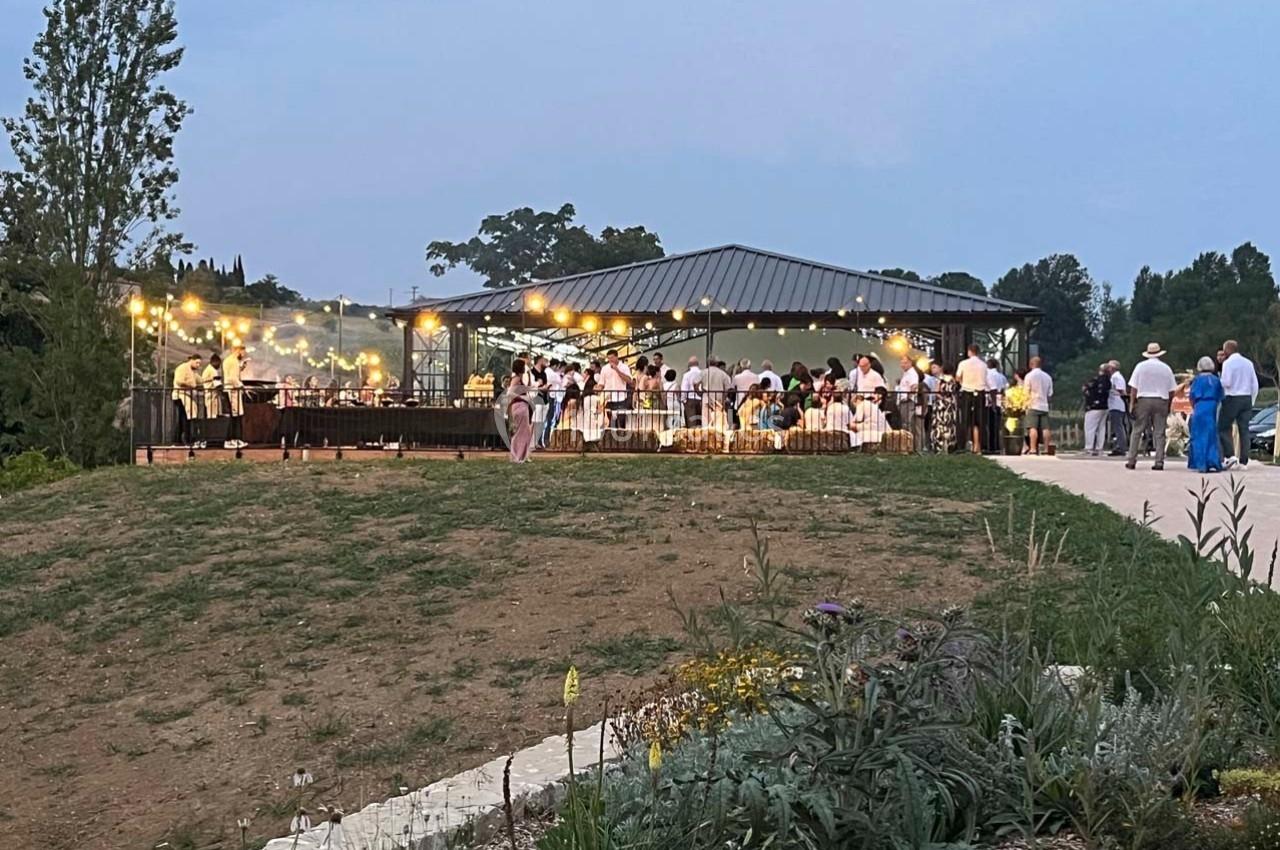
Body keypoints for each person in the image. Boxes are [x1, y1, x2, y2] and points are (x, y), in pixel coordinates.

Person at [1125, 343, 1178, 471]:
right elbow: (1172, 390)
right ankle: (1159, 461)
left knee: (1137, 430)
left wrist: (1132, 403)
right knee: (1159, 432)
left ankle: (1132, 459)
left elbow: (1134, 388)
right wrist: (1169, 403)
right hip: (1161, 399)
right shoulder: (1166, 368)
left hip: (1144, 399)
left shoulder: (1140, 367)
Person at [1218, 339, 1260, 469]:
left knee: (1223, 427)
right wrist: (1252, 400)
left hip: (1232, 397)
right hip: (1246, 398)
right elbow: (1255, 384)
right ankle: (1244, 461)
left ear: (1227, 350)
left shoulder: (1228, 363)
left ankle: (1230, 456)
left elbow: (1227, 382)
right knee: (1244, 430)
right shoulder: (1248, 363)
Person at [1187, 357, 1225, 473]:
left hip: (1200, 406)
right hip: (1212, 406)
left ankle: (1200, 463)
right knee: (1211, 434)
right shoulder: (1216, 380)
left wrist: (1195, 407)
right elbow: (1221, 395)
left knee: (1198, 435)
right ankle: (1213, 461)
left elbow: (1192, 396)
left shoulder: (1197, 380)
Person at [955, 345, 989, 454]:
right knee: (979, 421)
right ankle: (977, 445)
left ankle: (963, 445)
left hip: (967, 391)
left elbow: (957, 377)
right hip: (980, 392)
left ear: (969, 352)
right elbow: (986, 379)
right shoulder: (983, 365)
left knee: (965, 420)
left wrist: (962, 383)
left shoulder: (963, 363)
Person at [1023, 356, 1054, 454]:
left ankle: (1033, 448)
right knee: (1046, 428)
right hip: (1044, 406)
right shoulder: (1047, 377)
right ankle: (1046, 448)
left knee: (1033, 427)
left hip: (1033, 404)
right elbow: (1050, 393)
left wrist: (1025, 404)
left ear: (1031, 364)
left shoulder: (1029, 376)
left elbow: (1026, 392)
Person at [506, 358, 534, 463]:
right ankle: (516, 456)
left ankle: (522, 455)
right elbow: (510, 393)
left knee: (525, 431)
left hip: (522, 406)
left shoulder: (519, 379)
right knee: (520, 432)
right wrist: (523, 398)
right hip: (519, 406)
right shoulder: (516, 379)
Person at [172, 353, 202, 445]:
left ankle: (183, 439)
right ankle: (183, 439)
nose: (198, 365)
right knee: (184, 419)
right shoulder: (183, 368)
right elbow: (179, 381)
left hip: (187, 397)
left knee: (185, 419)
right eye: (197, 363)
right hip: (180, 396)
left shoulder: (192, 371)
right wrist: (191, 385)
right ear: (192, 360)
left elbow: (200, 380)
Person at [1082, 363, 1111, 456]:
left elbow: (1086, 388)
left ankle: (1089, 447)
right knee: (1101, 428)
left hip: (1094, 407)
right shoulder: (1108, 381)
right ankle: (1099, 448)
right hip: (1104, 406)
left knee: (1090, 427)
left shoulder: (1096, 380)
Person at [599, 349, 632, 429]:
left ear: (617, 357)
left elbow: (629, 380)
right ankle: (610, 439)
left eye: (612, 357)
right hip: (609, 398)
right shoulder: (605, 368)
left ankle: (621, 438)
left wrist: (617, 370)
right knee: (609, 422)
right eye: (609, 358)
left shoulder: (624, 367)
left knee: (621, 421)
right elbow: (602, 383)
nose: (610, 360)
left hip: (620, 398)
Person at [224, 344, 248, 448]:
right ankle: (231, 439)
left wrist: (241, 368)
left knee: (236, 416)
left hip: (232, 390)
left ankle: (235, 439)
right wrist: (241, 385)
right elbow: (232, 378)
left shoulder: (229, 360)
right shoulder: (233, 361)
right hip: (233, 391)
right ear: (238, 350)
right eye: (243, 352)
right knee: (236, 416)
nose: (244, 354)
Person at [930, 362, 958, 453]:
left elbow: (937, 391)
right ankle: (950, 445)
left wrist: (941, 397)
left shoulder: (941, 380)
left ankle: (939, 445)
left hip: (941, 404)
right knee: (949, 424)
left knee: (939, 424)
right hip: (950, 404)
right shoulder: (953, 380)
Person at [701, 358, 733, 430]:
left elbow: (695, 384)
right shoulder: (723, 374)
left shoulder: (703, 372)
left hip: (706, 396)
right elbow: (727, 388)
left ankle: (706, 433)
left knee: (706, 418)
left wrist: (699, 392)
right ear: (716, 364)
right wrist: (724, 398)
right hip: (719, 397)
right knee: (718, 418)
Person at [985, 358, 1008, 452]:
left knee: (989, 425)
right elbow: (1004, 389)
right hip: (999, 401)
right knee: (997, 426)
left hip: (990, 402)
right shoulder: (1001, 376)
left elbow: (992, 390)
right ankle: (997, 445)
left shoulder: (988, 375)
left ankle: (990, 446)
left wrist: (993, 403)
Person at [1106, 359, 1129, 456]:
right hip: (1115, 404)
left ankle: (1121, 446)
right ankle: (1120, 445)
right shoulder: (1114, 377)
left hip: (1116, 404)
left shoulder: (1116, 377)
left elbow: (1121, 390)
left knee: (1118, 426)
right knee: (1117, 426)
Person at [201, 354, 224, 447]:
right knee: (212, 416)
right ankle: (212, 439)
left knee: (212, 415)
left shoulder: (208, 369)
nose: (219, 365)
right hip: (211, 396)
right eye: (219, 363)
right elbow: (218, 385)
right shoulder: (212, 370)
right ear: (215, 362)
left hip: (211, 395)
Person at [895, 357, 920, 438]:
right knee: (904, 423)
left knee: (907, 423)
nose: (903, 365)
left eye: (905, 363)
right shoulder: (906, 373)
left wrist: (908, 397)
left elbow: (914, 386)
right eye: (901, 363)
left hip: (908, 402)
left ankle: (909, 443)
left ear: (910, 363)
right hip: (904, 401)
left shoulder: (912, 373)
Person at [680, 356, 702, 426]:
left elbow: (684, 389)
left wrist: (684, 400)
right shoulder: (702, 373)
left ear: (689, 364)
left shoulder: (686, 375)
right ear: (697, 364)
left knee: (691, 421)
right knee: (700, 420)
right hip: (700, 398)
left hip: (690, 400)